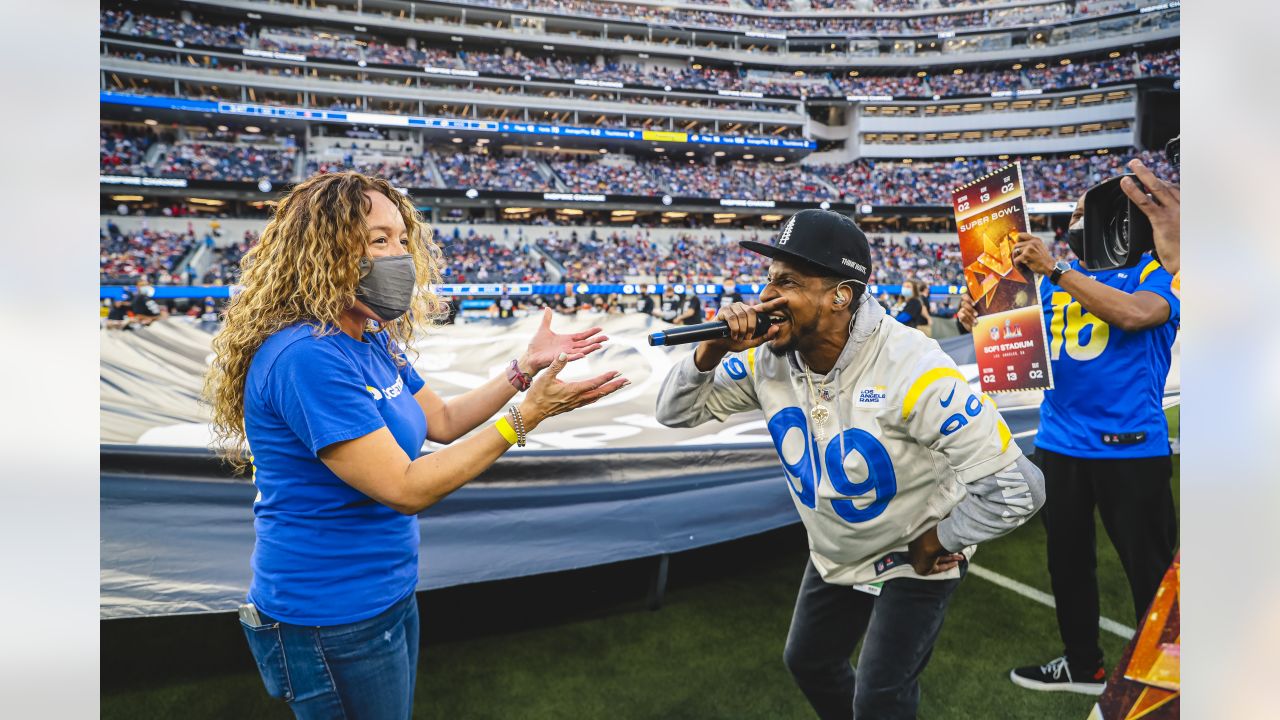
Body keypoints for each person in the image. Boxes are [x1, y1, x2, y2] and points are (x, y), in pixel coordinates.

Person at [202, 172, 627, 719]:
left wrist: (523, 370)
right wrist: (525, 418)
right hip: (330, 613)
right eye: (379, 240)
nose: (399, 254)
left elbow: (444, 422)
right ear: (326, 250)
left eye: (403, 239)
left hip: (387, 592)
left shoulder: (368, 334)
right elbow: (403, 488)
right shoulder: (306, 357)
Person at [656, 209, 1045, 720]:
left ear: (841, 294)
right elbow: (674, 412)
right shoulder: (767, 359)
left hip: (914, 551)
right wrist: (706, 353)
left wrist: (941, 539)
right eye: (768, 281)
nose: (765, 297)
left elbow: (1021, 488)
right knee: (809, 660)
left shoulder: (914, 368)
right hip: (838, 550)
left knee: (881, 698)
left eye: (786, 282)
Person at [957, 212, 1179, 695]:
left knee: (1152, 573)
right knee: (1068, 563)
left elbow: (1135, 314)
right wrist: (982, 319)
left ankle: (1171, 684)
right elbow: (1014, 351)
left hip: (1129, 447)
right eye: (1076, 214)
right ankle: (1084, 666)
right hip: (1058, 442)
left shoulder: (1154, 269)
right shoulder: (1053, 281)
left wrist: (1055, 269)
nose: (1079, 222)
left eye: (1084, 214)